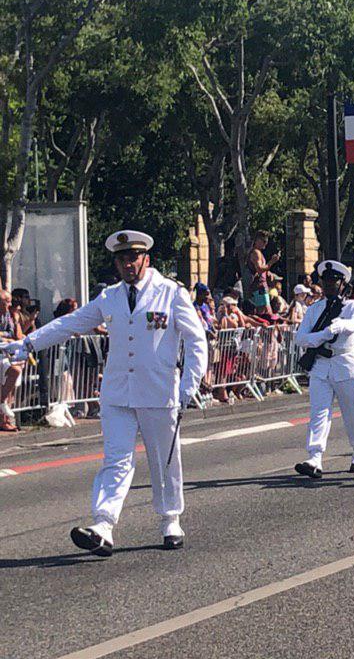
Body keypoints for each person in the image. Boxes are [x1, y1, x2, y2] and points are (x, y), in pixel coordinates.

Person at [1, 230, 208, 555]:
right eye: (123, 258)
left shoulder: (170, 293)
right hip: (117, 393)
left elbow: (196, 340)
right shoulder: (109, 297)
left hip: (158, 391)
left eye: (134, 257)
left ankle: (170, 518)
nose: (129, 263)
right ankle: (103, 524)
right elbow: (71, 323)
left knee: (164, 460)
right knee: (116, 460)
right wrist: (27, 343)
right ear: (117, 262)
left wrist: (189, 385)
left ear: (146, 259)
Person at [294, 260, 354, 478]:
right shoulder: (314, 309)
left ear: (342, 283)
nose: (328, 285)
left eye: (334, 281)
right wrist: (324, 335)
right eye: (325, 281)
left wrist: (340, 326)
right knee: (319, 412)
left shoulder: (352, 306)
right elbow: (301, 338)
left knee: (353, 411)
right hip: (321, 365)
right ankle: (315, 457)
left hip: (344, 363)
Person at [0, 288, 23, 432]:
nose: (9, 305)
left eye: (9, 302)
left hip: (6, 353)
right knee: (13, 372)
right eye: (6, 302)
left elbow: (17, 336)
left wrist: (16, 319)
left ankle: (4, 416)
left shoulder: (8, 315)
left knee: (11, 384)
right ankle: (2, 407)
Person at [247, 230, 281, 316]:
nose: (265, 244)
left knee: (267, 310)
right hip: (259, 287)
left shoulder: (259, 253)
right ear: (257, 240)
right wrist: (271, 262)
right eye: (264, 241)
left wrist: (268, 272)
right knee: (264, 311)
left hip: (262, 286)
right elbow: (259, 269)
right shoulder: (255, 253)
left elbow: (262, 269)